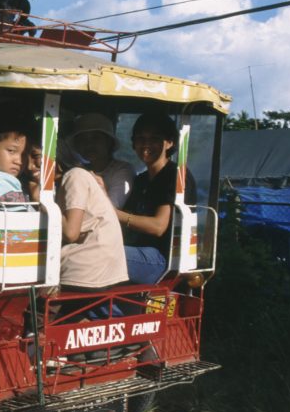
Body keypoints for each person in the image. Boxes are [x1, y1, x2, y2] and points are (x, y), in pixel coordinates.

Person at [116, 112, 193, 284]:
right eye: (140, 138)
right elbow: (126, 220)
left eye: (154, 139)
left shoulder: (175, 176)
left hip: (162, 261)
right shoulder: (141, 180)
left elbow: (158, 227)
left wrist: (114, 213)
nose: (146, 144)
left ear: (169, 142)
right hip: (137, 251)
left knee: (97, 253)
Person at [55, 141, 128, 290]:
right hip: (99, 269)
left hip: (87, 270)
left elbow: (70, 233)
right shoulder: (75, 177)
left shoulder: (75, 176)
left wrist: (45, 204)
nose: (29, 165)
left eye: (36, 157)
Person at [70, 113, 135, 209]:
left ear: (109, 142)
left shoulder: (122, 169)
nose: (88, 145)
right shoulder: (77, 171)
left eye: (95, 138)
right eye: (82, 139)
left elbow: (112, 208)